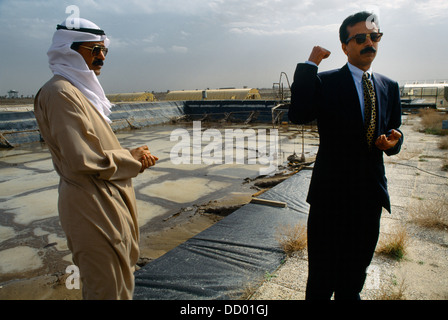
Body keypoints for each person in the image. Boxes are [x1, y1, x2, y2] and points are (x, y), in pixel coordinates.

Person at [34, 18, 158, 299]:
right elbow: (81, 159)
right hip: (90, 205)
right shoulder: (60, 93)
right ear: (68, 50)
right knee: (106, 288)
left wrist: (131, 158)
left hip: (107, 200)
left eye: (104, 51)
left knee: (120, 279)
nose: (101, 57)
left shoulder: (80, 93)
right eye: (94, 50)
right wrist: (132, 158)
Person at [288, 11, 403, 300]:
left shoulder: (389, 87)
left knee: (354, 277)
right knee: (321, 279)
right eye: (361, 38)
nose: (370, 43)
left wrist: (393, 142)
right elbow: (298, 114)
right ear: (345, 46)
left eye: (375, 37)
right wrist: (310, 64)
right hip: (331, 198)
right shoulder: (326, 83)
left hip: (369, 198)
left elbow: (395, 130)